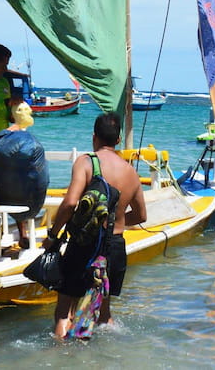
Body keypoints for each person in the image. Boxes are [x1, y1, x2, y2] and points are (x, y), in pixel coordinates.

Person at [45, 112, 147, 340]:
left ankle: (59, 357)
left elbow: (70, 203)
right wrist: (115, 223)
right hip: (114, 248)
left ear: (94, 137)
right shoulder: (131, 173)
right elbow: (141, 216)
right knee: (102, 314)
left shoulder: (86, 161)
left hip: (84, 244)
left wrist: (53, 234)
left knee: (64, 313)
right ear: (118, 140)